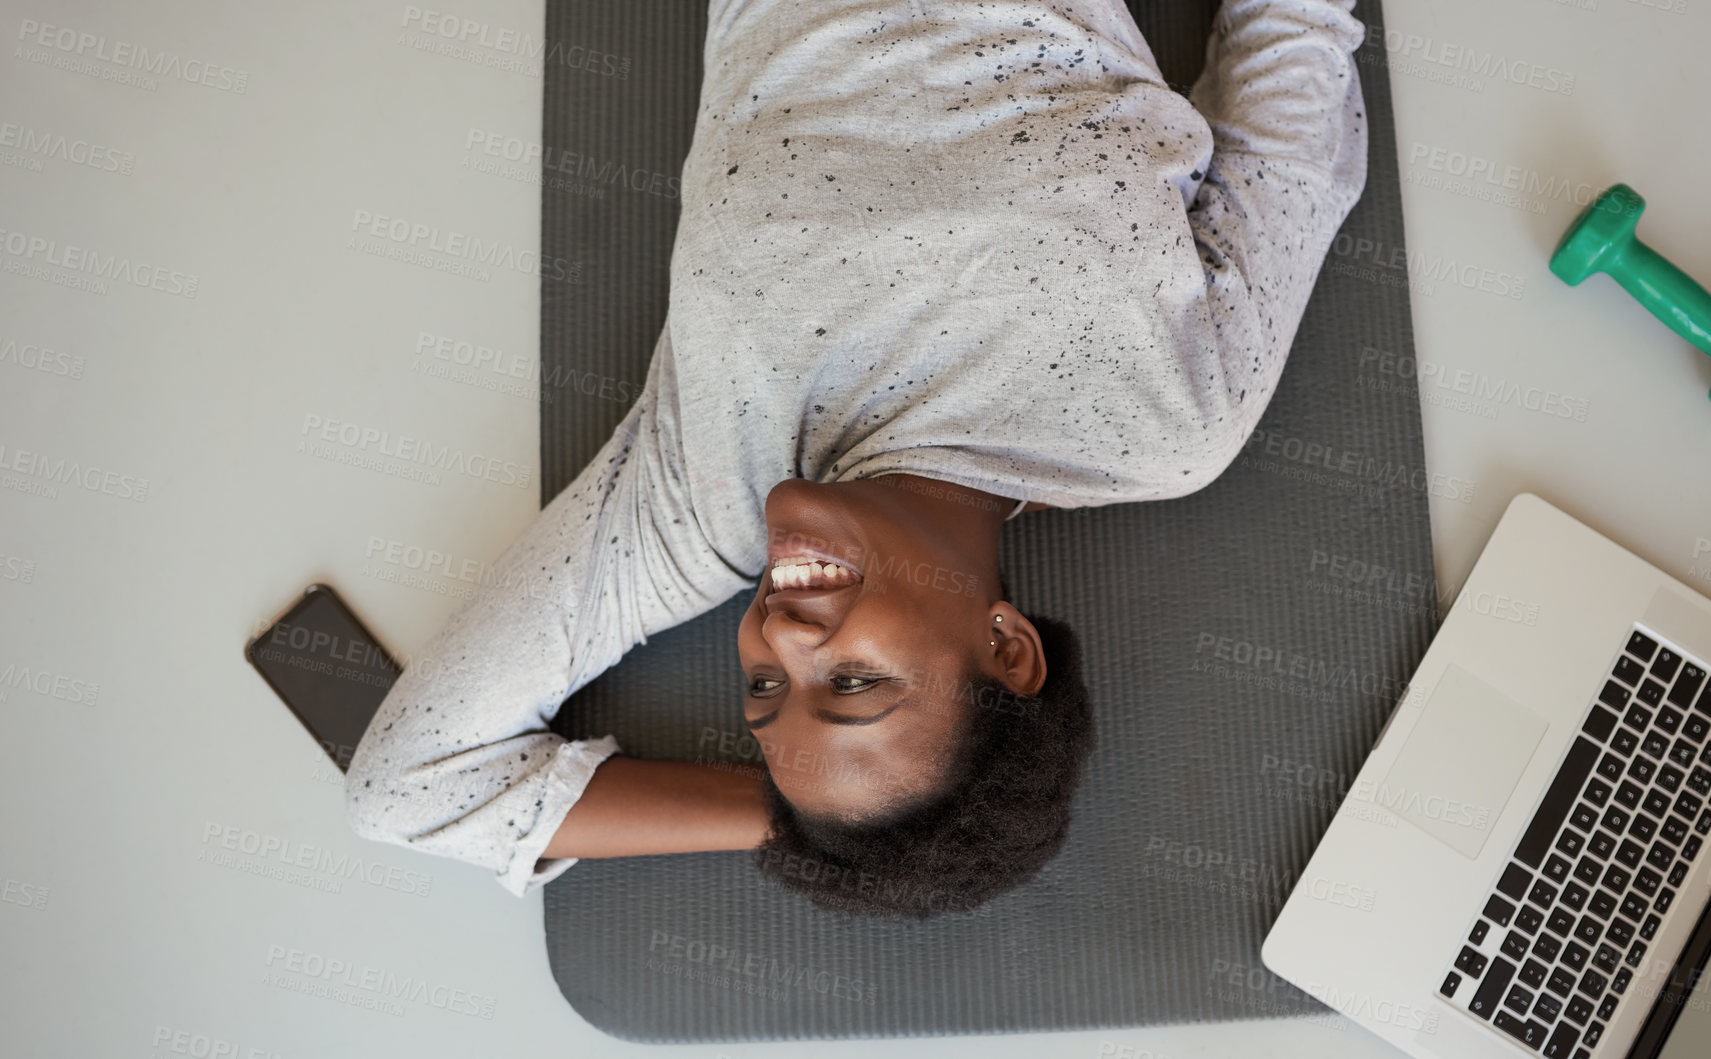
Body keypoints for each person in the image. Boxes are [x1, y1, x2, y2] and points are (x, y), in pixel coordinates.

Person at [345, 0, 1368, 917]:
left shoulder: (697, 502)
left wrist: (824, 833)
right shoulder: (1167, 425)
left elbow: (410, 787)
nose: (778, 642)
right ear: (1004, 647)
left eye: (760, 697)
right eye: (850, 687)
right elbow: (1292, 75)